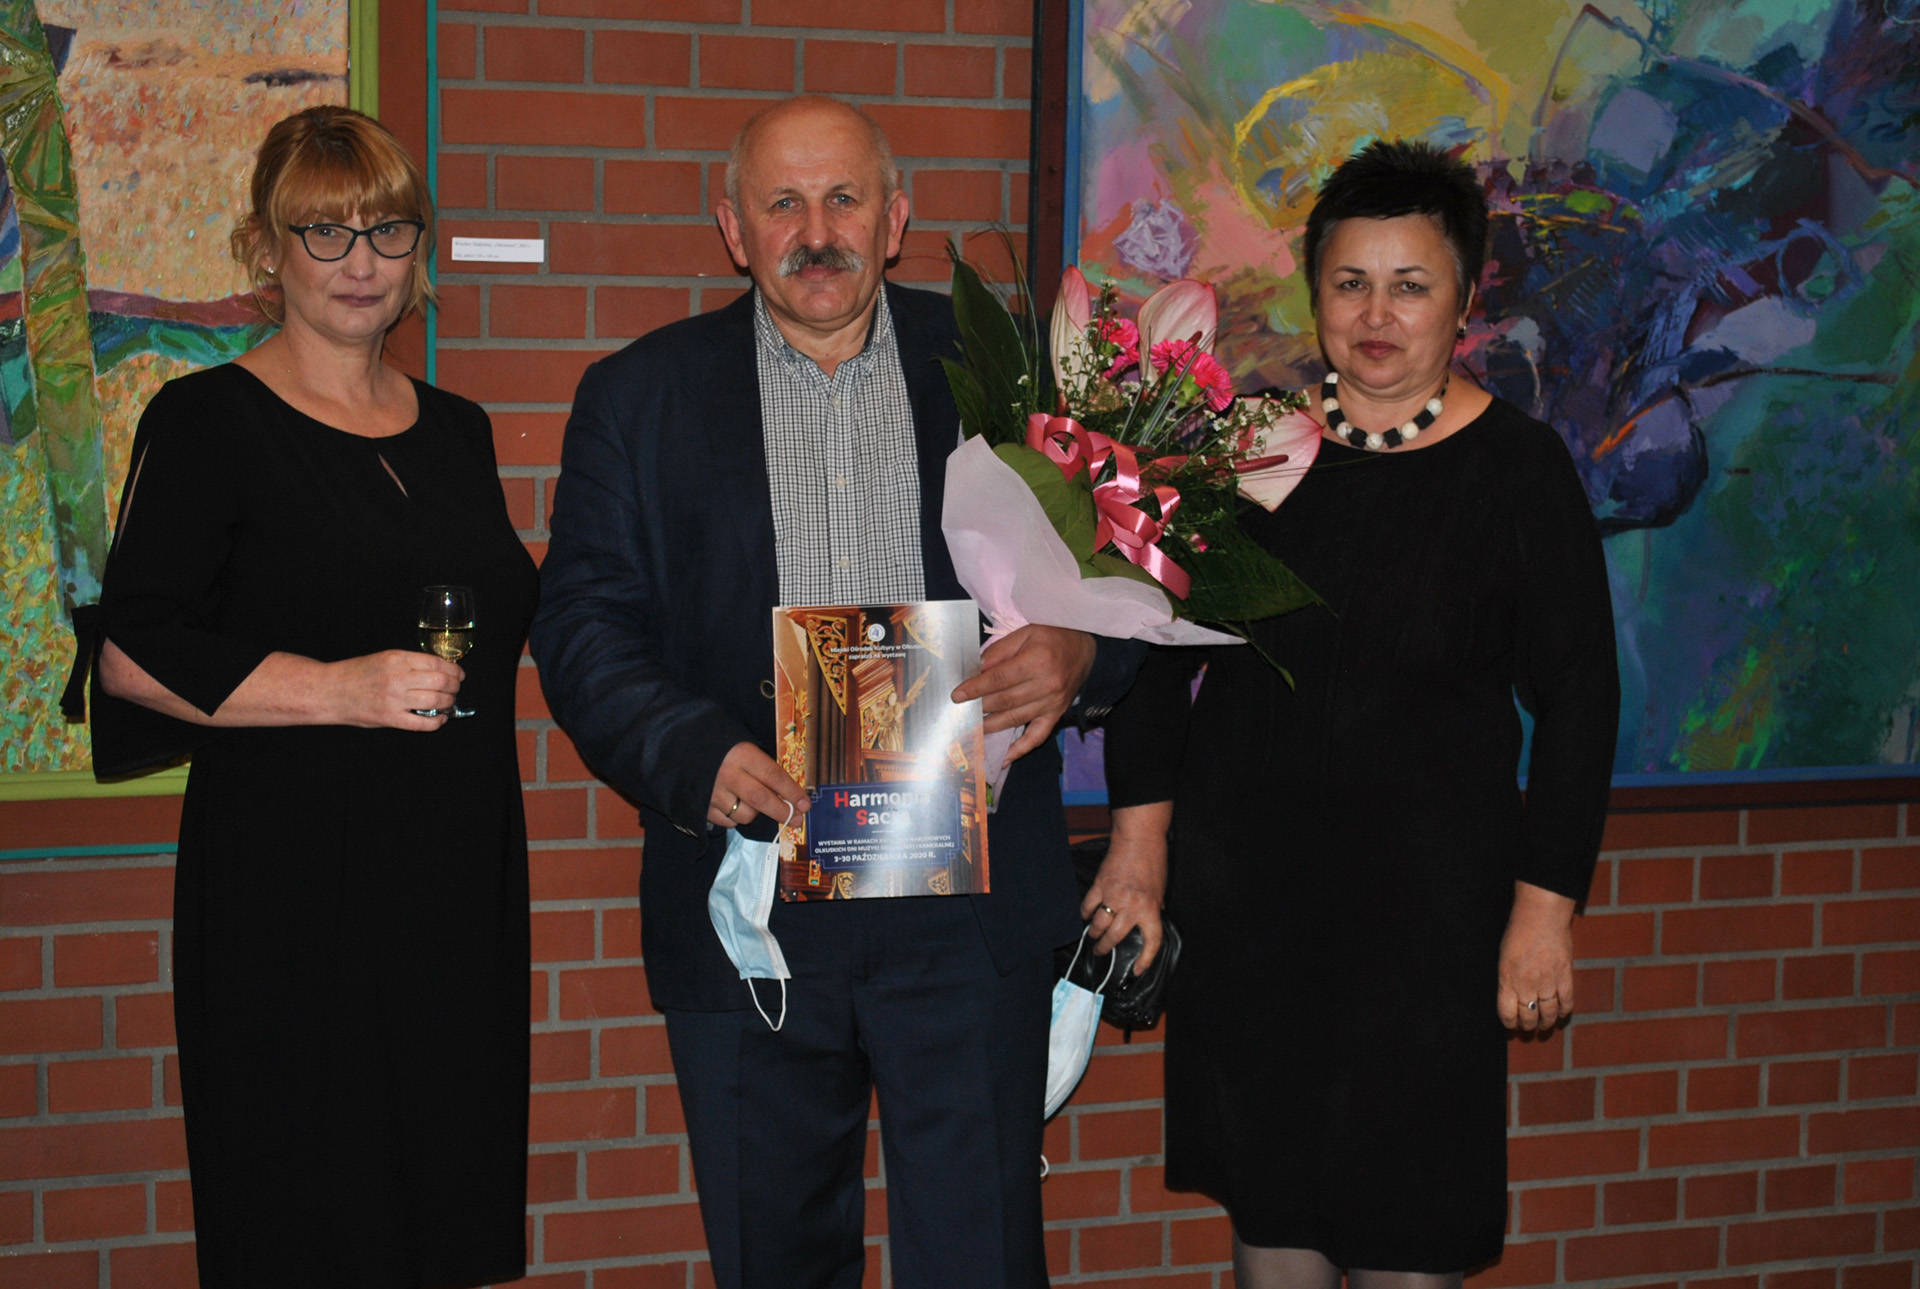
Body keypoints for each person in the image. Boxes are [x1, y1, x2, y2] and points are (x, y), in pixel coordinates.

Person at [529, 95, 1142, 1289]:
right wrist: (691, 752)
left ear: (895, 218)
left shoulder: (1009, 372)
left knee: (980, 1261)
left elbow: (1127, 577)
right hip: (754, 891)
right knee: (776, 1259)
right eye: (783, 203)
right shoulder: (639, 397)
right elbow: (581, 624)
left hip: (966, 900)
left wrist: (1081, 654)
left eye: (845, 198)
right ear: (733, 228)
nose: (817, 232)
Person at [1095, 140, 1620, 1287]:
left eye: (1410, 284)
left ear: (1464, 299)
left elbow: (1581, 700)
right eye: (1350, 283)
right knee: (1272, 1228)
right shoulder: (1245, 450)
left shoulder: (1519, 471)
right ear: (1316, 292)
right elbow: (1147, 647)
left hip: (1427, 936)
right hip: (1254, 918)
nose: (1376, 315)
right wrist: (1140, 853)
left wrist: (1543, 915)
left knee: (1408, 1240)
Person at [89, 106, 537, 1288]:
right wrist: (339, 687)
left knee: (441, 1211)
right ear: (266, 247)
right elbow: (132, 653)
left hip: (452, 880)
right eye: (324, 232)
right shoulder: (206, 423)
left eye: (387, 231)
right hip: (291, 896)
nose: (361, 262)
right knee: (307, 1220)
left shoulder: (459, 432)